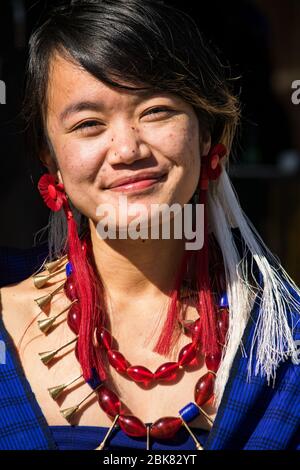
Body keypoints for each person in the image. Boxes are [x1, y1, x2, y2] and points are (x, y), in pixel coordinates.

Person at [0, 0, 300, 451]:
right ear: (50, 157)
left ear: (205, 133)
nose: (126, 149)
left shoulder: (285, 343)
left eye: (156, 110)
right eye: (88, 124)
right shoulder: (7, 328)